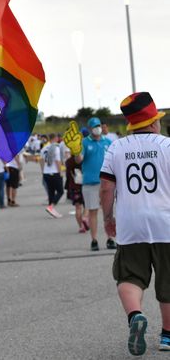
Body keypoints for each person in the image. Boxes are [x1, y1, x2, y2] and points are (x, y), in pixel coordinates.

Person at [99, 92, 170, 355]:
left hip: (131, 225)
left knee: (129, 276)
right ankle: (167, 336)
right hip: (166, 223)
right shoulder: (167, 146)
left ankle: (135, 315)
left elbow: (107, 187)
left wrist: (108, 218)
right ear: (153, 121)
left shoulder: (116, 147)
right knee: (168, 281)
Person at [65, 117, 116, 251]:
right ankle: (94, 240)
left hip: (106, 182)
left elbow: (113, 160)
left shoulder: (108, 142)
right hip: (90, 183)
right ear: (90, 129)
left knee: (108, 212)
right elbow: (79, 160)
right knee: (92, 212)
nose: (97, 128)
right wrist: (76, 151)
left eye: (98, 125)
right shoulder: (84, 142)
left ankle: (110, 238)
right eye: (94, 126)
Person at [40, 133, 64, 218]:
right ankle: (51, 207)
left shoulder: (44, 148)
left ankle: (51, 209)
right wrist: (60, 172)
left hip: (46, 172)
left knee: (51, 192)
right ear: (56, 138)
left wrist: (43, 171)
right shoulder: (56, 148)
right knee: (60, 191)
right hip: (54, 172)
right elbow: (58, 161)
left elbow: (41, 160)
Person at [64, 152, 88, 233]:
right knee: (88, 205)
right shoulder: (85, 160)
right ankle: (85, 218)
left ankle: (81, 226)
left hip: (74, 186)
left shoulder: (68, 161)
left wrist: (67, 187)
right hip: (85, 184)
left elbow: (67, 175)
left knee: (78, 207)